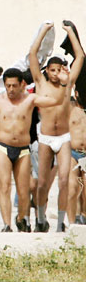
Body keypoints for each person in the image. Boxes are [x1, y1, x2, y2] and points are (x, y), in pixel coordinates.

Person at [0, 68, 68, 232]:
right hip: (3, 148)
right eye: (8, 86)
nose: (11, 90)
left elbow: (55, 101)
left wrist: (64, 83)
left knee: (23, 191)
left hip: (23, 149)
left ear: (22, 84)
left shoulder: (30, 99)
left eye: (14, 86)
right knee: (5, 186)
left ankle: (21, 218)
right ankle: (7, 225)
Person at [29, 22, 85, 232]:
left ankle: (61, 222)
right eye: (51, 70)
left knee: (63, 180)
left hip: (63, 137)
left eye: (57, 70)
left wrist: (71, 33)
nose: (54, 74)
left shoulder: (68, 83)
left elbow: (80, 57)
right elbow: (32, 54)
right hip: (45, 137)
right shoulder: (41, 83)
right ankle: (41, 218)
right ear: (47, 71)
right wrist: (43, 31)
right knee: (42, 182)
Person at [67, 91, 86, 224]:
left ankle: (83, 216)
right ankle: (71, 221)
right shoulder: (70, 106)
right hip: (72, 152)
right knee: (72, 187)